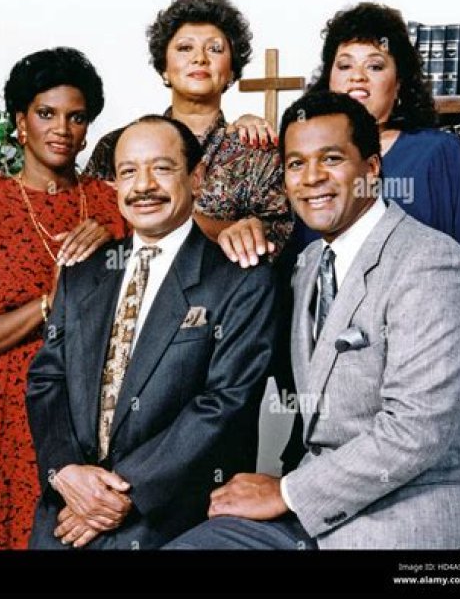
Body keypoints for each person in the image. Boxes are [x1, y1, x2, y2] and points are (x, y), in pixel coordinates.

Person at [165, 91, 460, 550]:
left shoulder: (432, 263)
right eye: (296, 164)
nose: (312, 177)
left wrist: (285, 492)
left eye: (332, 159)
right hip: (318, 519)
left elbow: (414, 431)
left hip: (408, 522)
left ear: (372, 169)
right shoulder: (308, 263)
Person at [26, 115, 277, 550]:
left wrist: (118, 494)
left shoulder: (241, 279)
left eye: (161, 168)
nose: (143, 185)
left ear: (197, 177)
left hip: (171, 522)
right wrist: (65, 471)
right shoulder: (83, 273)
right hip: (66, 514)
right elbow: (47, 379)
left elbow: (224, 404)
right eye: (128, 171)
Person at [0, 47, 127, 550]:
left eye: (76, 117)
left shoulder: (113, 204)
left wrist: (112, 233)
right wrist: (50, 303)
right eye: (46, 113)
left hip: (84, 409)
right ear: (20, 122)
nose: (62, 129)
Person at [0, 0, 292, 257]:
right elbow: (73, 208)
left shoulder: (256, 151)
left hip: (225, 305)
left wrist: (173, 217)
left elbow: (276, 243)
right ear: (164, 67)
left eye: (215, 49)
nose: (200, 58)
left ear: (232, 70)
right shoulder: (116, 146)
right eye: (184, 48)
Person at [221, 2, 460, 311]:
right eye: (344, 66)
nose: (357, 78)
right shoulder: (303, 162)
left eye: (375, 66)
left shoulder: (439, 153)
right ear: (328, 78)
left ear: (399, 83)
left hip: (421, 325)